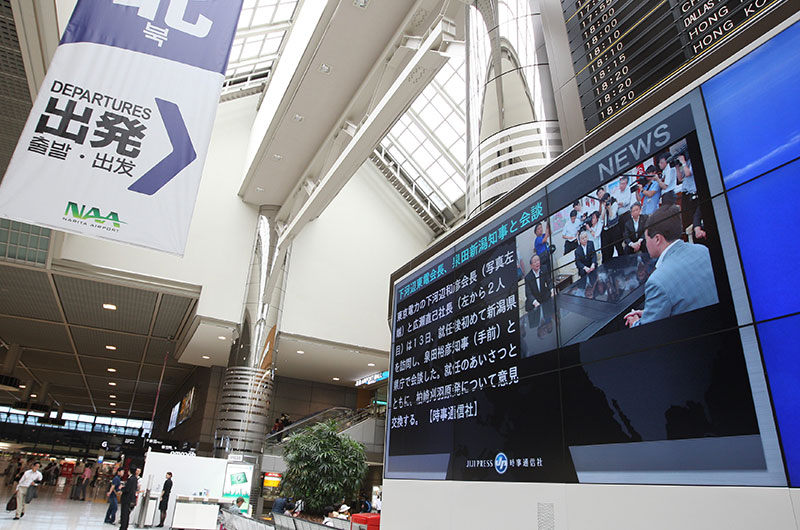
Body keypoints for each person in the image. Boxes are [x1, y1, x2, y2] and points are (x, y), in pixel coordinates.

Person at [624, 205, 718, 327]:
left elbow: (648, 332)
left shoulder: (657, 282)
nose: (646, 244)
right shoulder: (703, 250)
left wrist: (635, 322)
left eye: (647, 239)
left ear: (657, 239)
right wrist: (650, 312)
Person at [524, 254, 552, 328]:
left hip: (543, 294)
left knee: (551, 298)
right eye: (535, 262)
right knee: (531, 307)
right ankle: (536, 323)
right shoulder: (528, 277)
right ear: (531, 265)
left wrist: (552, 289)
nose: (537, 263)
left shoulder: (544, 269)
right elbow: (528, 293)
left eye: (538, 260)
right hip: (535, 298)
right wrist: (535, 302)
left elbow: (549, 281)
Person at [119, 466, 140, 530]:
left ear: (129, 471)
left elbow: (127, 489)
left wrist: (122, 488)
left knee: (124, 514)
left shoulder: (130, 479)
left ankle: (123, 527)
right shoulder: (135, 479)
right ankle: (125, 527)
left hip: (126, 499)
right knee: (127, 514)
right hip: (131, 499)